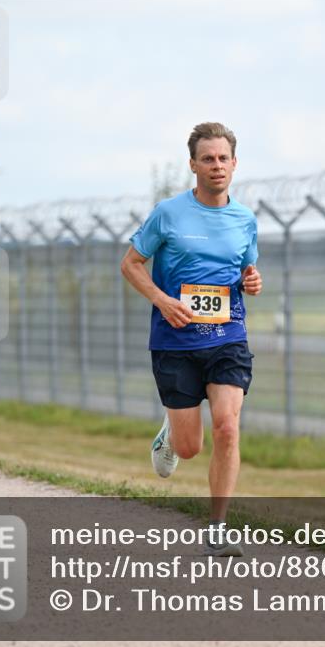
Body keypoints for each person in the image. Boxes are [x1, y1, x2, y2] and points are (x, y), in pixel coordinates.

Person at [121, 122, 262, 557]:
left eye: (223, 158)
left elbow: (246, 269)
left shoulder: (245, 219)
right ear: (193, 165)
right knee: (189, 448)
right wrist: (162, 300)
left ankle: (217, 529)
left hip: (227, 337)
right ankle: (170, 434)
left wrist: (252, 280)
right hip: (175, 340)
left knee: (227, 427)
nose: (216, 165)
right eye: (208, 158)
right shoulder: (168, 213)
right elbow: (130, 264)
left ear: (234, 164)